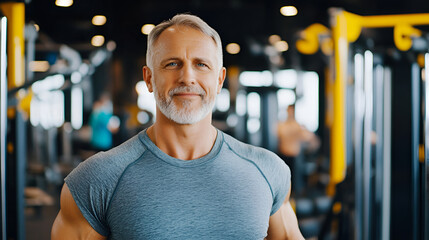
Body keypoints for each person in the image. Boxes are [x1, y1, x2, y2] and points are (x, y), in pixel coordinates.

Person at [51, 13, 304, 239]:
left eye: (201, 65)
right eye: (172, 64)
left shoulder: (268, 172)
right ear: (149, 78)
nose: (187, 78)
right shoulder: (97, 180)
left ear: (219, 80)